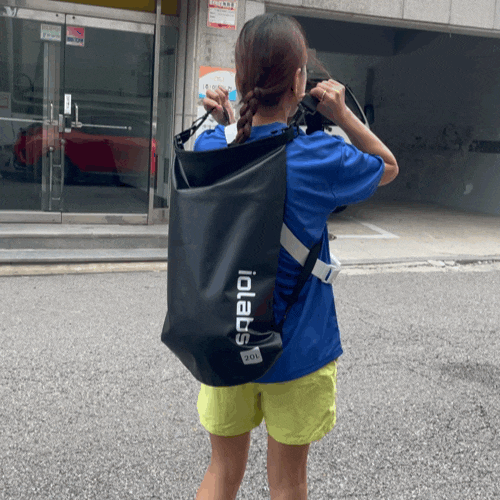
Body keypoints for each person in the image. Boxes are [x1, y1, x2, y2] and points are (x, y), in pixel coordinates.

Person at [193, 13, 398, 500]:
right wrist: (343, 115)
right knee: (288, 483)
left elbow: (233, 147)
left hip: (225, 339)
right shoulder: (320, 157)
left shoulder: (209, 145)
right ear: (299, 81)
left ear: (240, 79)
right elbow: (387, 166)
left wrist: (224, 123)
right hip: (298, 348)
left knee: (222, 471)